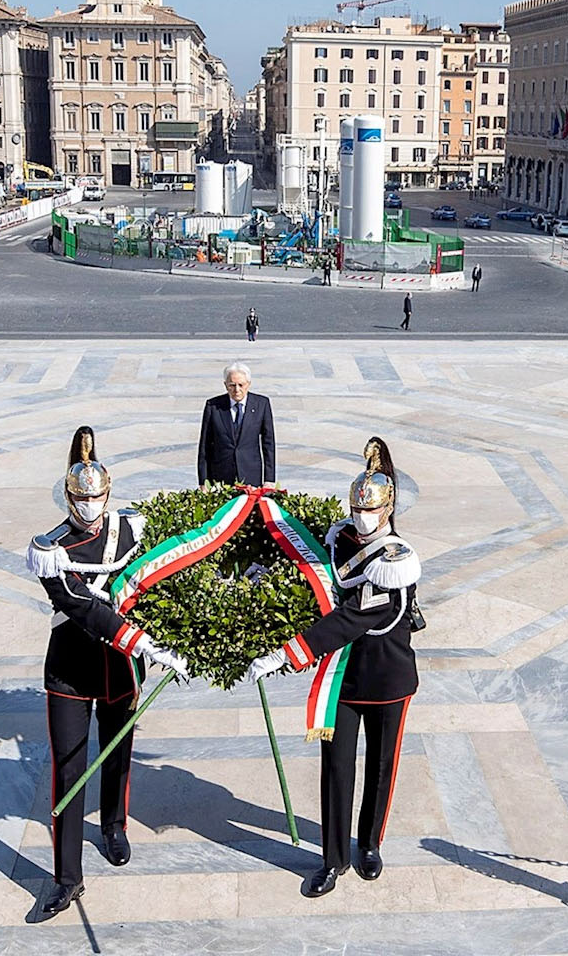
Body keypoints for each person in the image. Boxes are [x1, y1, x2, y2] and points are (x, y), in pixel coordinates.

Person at [25, 427, 190, 922]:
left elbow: (171, 563)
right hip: (72, 670)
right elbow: (83, 610)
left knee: (118, 749)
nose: (92, 505)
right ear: (69, 498)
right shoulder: (49, 548)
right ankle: (66, 877)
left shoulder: (131, 529)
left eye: (98, 497)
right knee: (69, 767)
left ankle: (114, 825)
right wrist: (145, 643)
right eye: (82, 498)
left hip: (118, 669)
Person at [250, 437, 420, 898]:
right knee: (336, 769)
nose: (363, 518)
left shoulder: (395, 561)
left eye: (372, 511)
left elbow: (349, 618)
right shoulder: (338, 538)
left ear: (387, 512)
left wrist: (286, 653)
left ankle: (368, 844)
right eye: (357, 509)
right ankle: (332, 859)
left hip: (387, 679)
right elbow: (316, 578)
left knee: (380, 768)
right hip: (343, 681)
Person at [197, 362, 276, 486]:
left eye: (241, 385)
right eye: (232, 385)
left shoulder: (262, 404)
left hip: (251, 475)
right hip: (221, 477)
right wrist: (203, 481)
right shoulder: (213, 406)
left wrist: (269, 479)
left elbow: (268, 444)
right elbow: (205, 446)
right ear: (225, 385)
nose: (237, 390)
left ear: (248, 384)